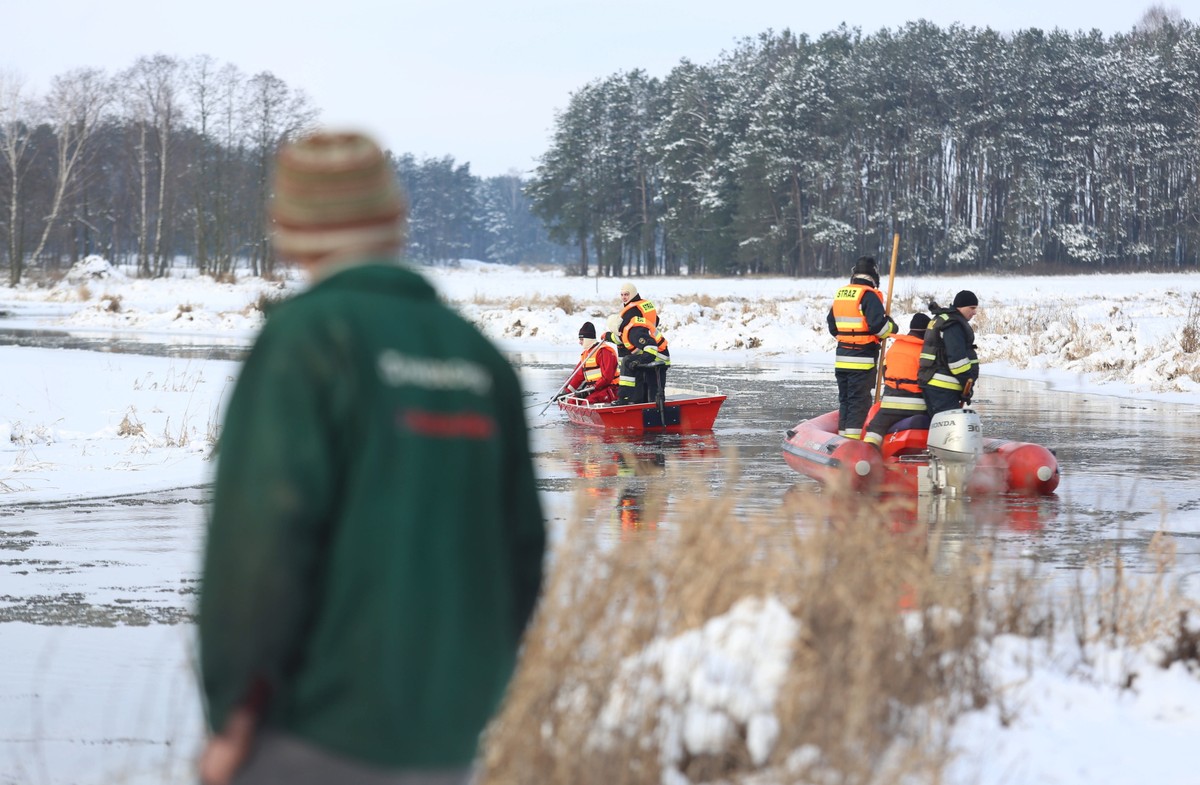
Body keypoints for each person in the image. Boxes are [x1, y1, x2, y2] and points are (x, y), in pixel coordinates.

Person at [196, 130, 546, 785]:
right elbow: (523, 551)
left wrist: (233, 713)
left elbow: (259, 543)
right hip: (448, 735)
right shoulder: (476, 355)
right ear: (395, 218)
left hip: (317, 727)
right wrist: (477, 687)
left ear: (288, 227)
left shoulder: (305, 341)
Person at [826, 256, 897, 439]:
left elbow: (832, 326)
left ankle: (843, 439)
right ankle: (853, 443)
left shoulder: (842, 295)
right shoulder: (869, 295)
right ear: (874, 275)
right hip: (862, 360)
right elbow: (879, 328)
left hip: (842, 359)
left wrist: (848, 339)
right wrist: (891, 326)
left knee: (846, 401)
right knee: (859, 402)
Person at [864, 313, 930, 449]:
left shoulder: (895, 347)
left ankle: (868, 452)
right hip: (918, 407)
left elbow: (885, 370)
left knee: (875, 428)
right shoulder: (926, 351)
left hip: (890, 405)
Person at [919, 290, 980, 415]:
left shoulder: (944, 319)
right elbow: (957, 362)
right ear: (961, 306)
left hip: (935, 384)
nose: (975, 312)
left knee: (938, 423)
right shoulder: (953, 325)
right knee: (950, 425)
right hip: (943, 387)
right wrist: (967, 383)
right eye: (972, 308)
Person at [613, 281, 670, 405]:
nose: (624, 297)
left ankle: (635, 402)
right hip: (653, 346)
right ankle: (652, 407)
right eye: (622, 295)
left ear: (633, 294)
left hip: (649, 350)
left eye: (626, 294)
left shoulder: (630, 311)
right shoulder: (645, 304)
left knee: (649, 387)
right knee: (655, 390)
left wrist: (640, 358)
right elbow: (656, 320)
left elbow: (624, 332)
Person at [561, 320, 619, 404]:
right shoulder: (587, 354)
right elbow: (577, 376)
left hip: (609, 389)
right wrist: (566, 392)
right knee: (572, 401)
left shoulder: (604, 352)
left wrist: (590, 390)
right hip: (594, 389)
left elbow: (607, 377)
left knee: (586, 403)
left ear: (587, 339)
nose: (580, 342)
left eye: (581, 339)